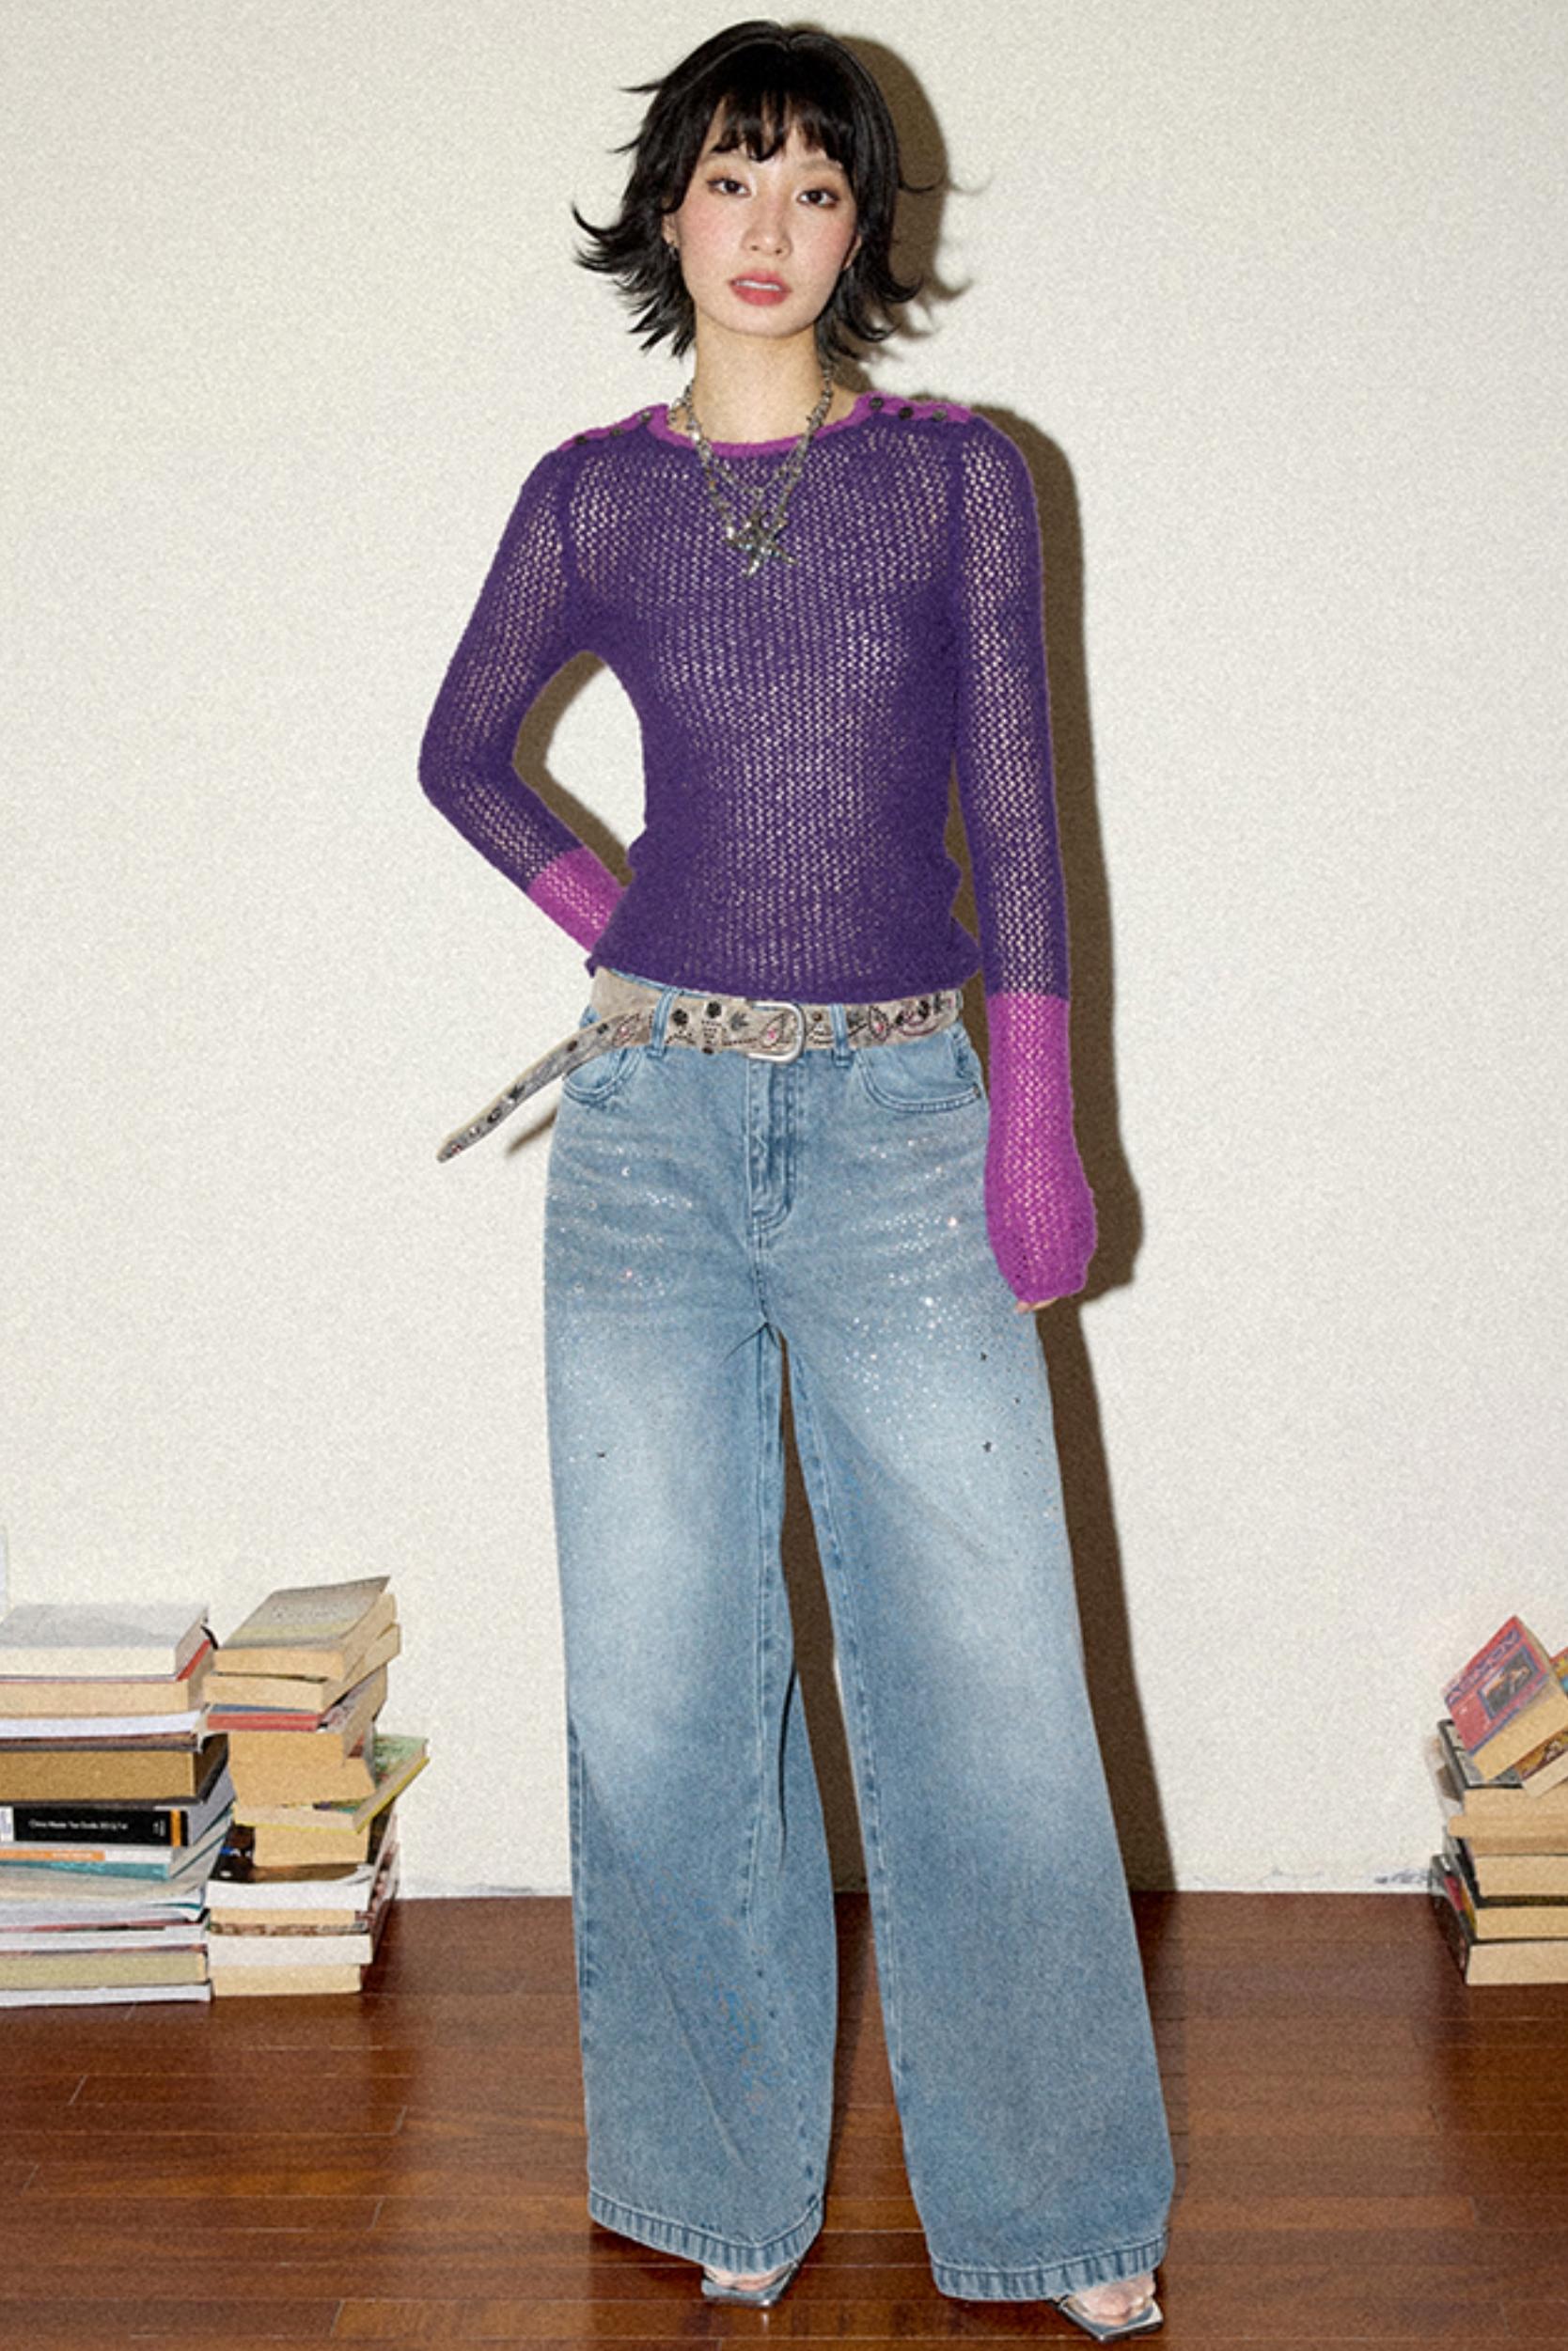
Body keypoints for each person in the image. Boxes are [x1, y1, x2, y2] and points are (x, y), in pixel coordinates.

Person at [418, 20, 1174, 2342]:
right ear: (669, 209)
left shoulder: (956, 481)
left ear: (865, 230)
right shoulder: (589, 499)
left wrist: (1035, 1114)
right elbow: (463, 755)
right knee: (663, 1682)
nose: (770, 228)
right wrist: (618, 922)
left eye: (816, 189)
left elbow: (1019, 813)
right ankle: (715, 2173)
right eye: (732, 179)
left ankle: (1059, 2209)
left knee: (991, 1678)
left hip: (900, 1121)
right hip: (647, 1136)